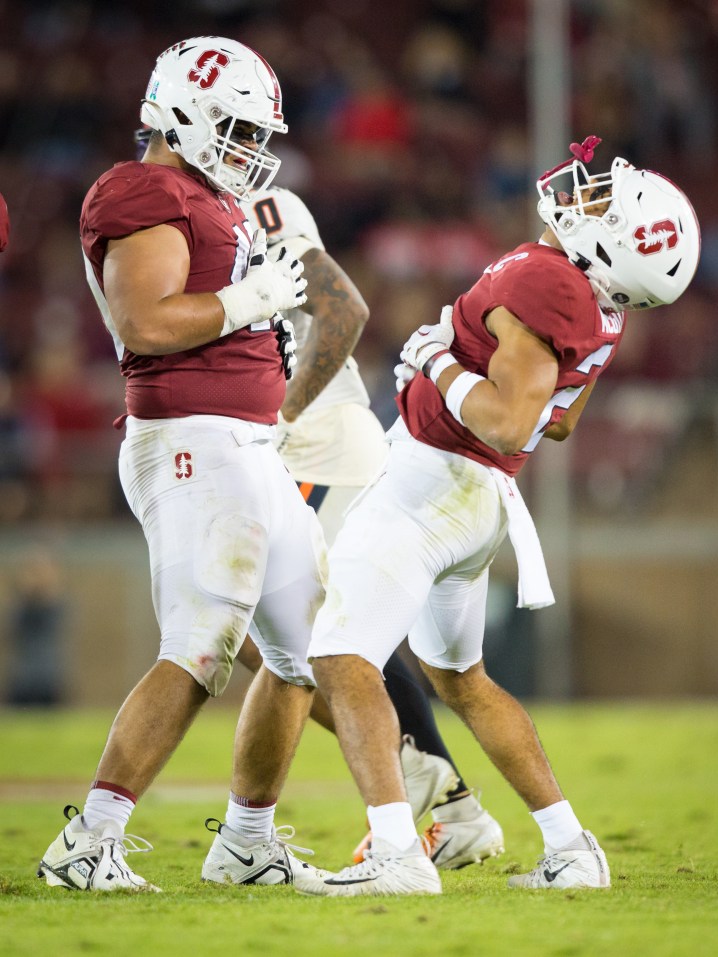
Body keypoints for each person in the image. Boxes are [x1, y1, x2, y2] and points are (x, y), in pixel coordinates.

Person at [304, 136, 702, 896]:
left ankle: (396, 851)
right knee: (464, 681)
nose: (589, 195)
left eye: (604, 206)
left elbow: (513, 422)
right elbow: (560, 423)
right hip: (476, 500)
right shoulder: (601, 307)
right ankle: (571, 846)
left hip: (434, 484)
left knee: (341, 655)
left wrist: (437, 360)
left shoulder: (547, 280)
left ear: (606, 247)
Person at [38, 36, 332, 894]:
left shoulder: (211, 199)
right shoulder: (143, 188)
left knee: (306, 655)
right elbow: (147, 323)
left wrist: (257, 325)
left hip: (249, 445)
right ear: (179, 112)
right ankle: (88, 843)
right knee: (202, 646)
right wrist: (250, 299)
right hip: (193, 441)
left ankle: (246, 841)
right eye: (235, 127)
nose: (249, 149)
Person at [231, 182, 504, 870]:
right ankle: (447, 802)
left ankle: (426, 784)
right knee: (273, 636)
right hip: (290, 446)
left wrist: (283, 418)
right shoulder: (182, 216)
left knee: (312, 633)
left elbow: (341, 310)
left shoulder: (257, 207)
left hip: (319, 444)